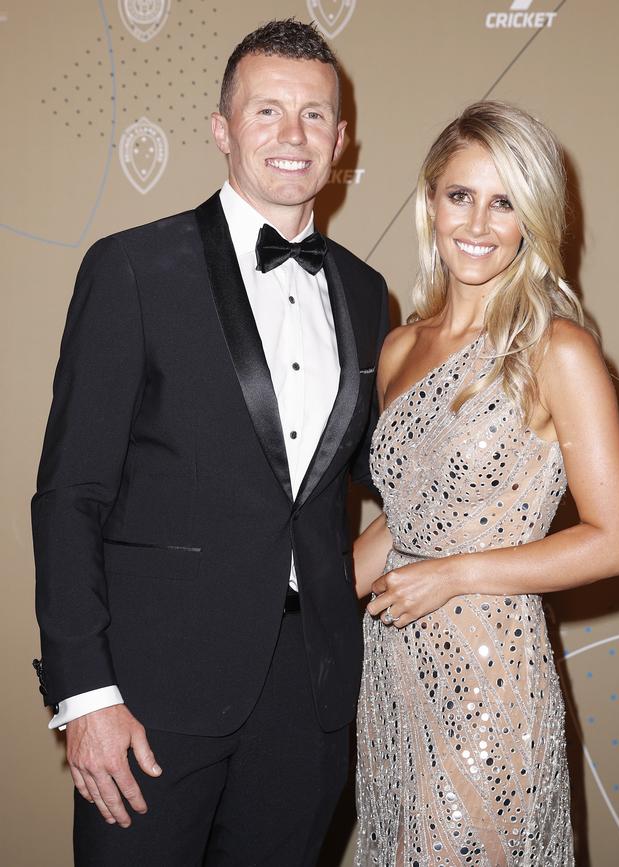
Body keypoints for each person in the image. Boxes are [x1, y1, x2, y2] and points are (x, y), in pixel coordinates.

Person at [31, 19, 388, 866]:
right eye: (267, 112)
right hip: (150, 700)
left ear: (341, 138)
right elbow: (70, 494)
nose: (292, 136)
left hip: (310, 697)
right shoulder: (130, 269)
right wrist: (86, 694)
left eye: (313, 115)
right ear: (223, 130)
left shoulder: (369, 293)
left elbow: (375, 475)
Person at [352, 101, 619, 866]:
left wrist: (452, 575)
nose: (478, 223)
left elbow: (618, 541)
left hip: (490, 683)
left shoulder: (558, 350)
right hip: (391, 672)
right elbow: (407, 517)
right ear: (430, 203)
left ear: (532, 218)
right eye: (461, 196)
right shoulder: (400, 345)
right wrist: (289, 603)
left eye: (505, 200)